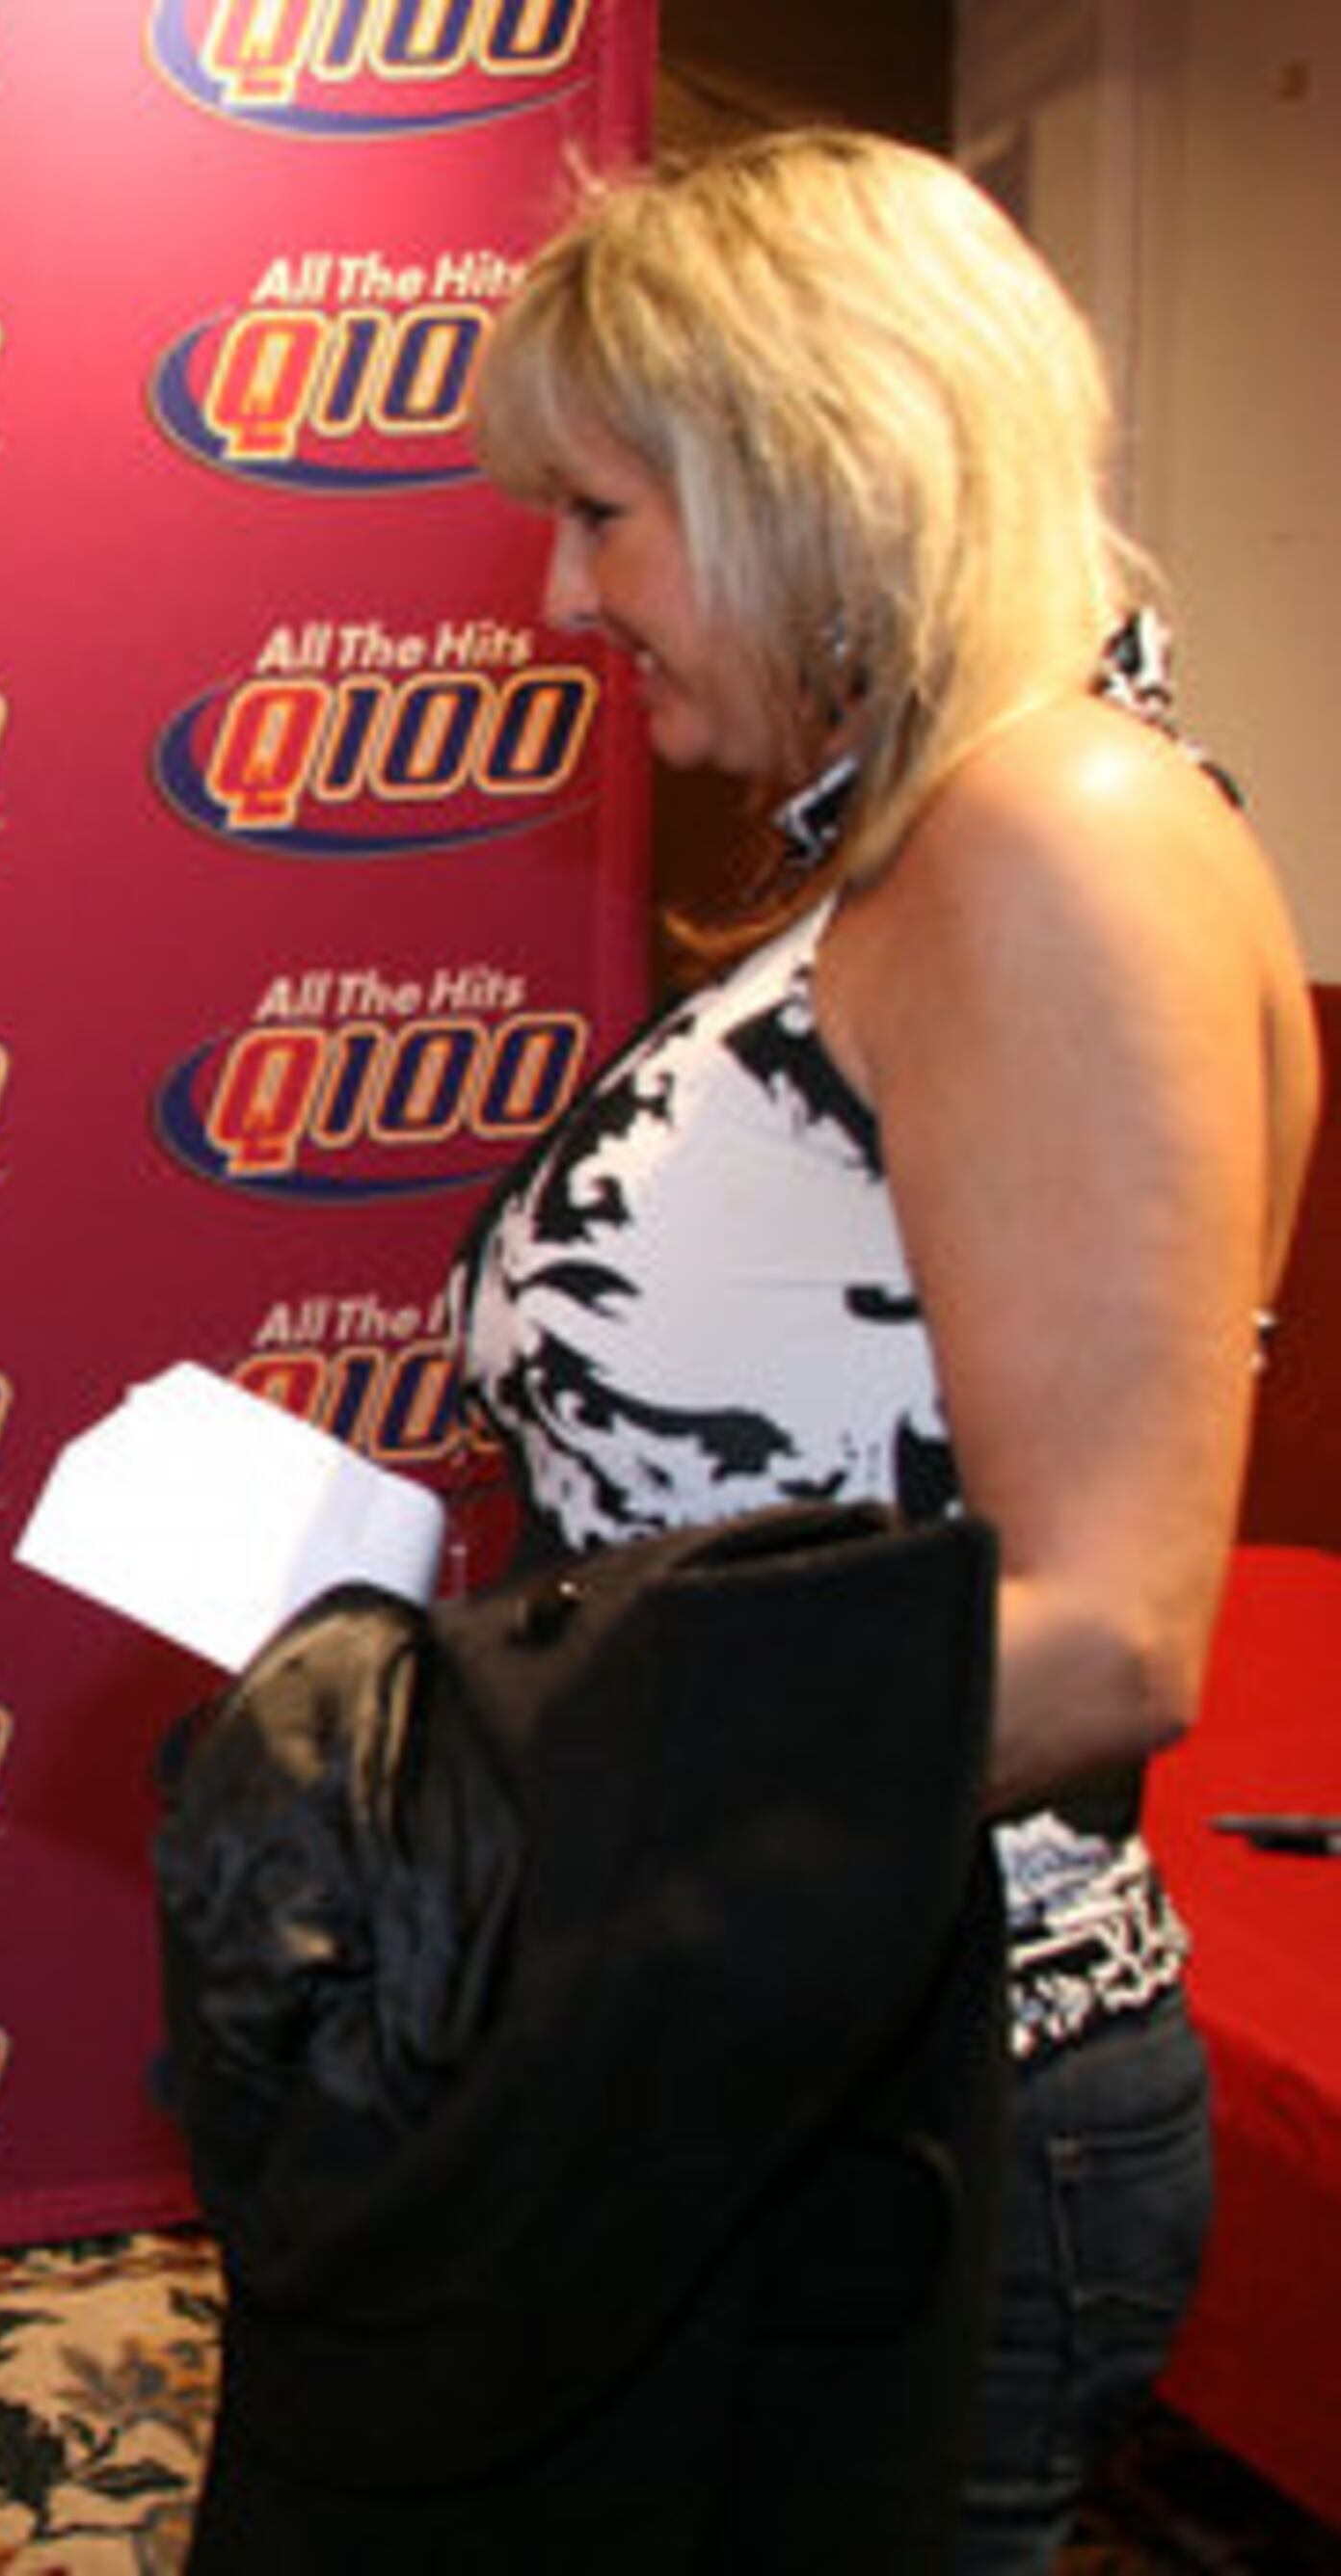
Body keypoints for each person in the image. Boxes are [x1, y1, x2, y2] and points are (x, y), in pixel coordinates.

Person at [455, 128, 1320, 2568]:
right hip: (771, 2047)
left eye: (606, 514)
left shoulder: (1053, 836)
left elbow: (1106, 1635)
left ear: (819, 478)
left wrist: (494, 1798)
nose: (560, 591)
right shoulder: (928, 839)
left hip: (914, 2092)